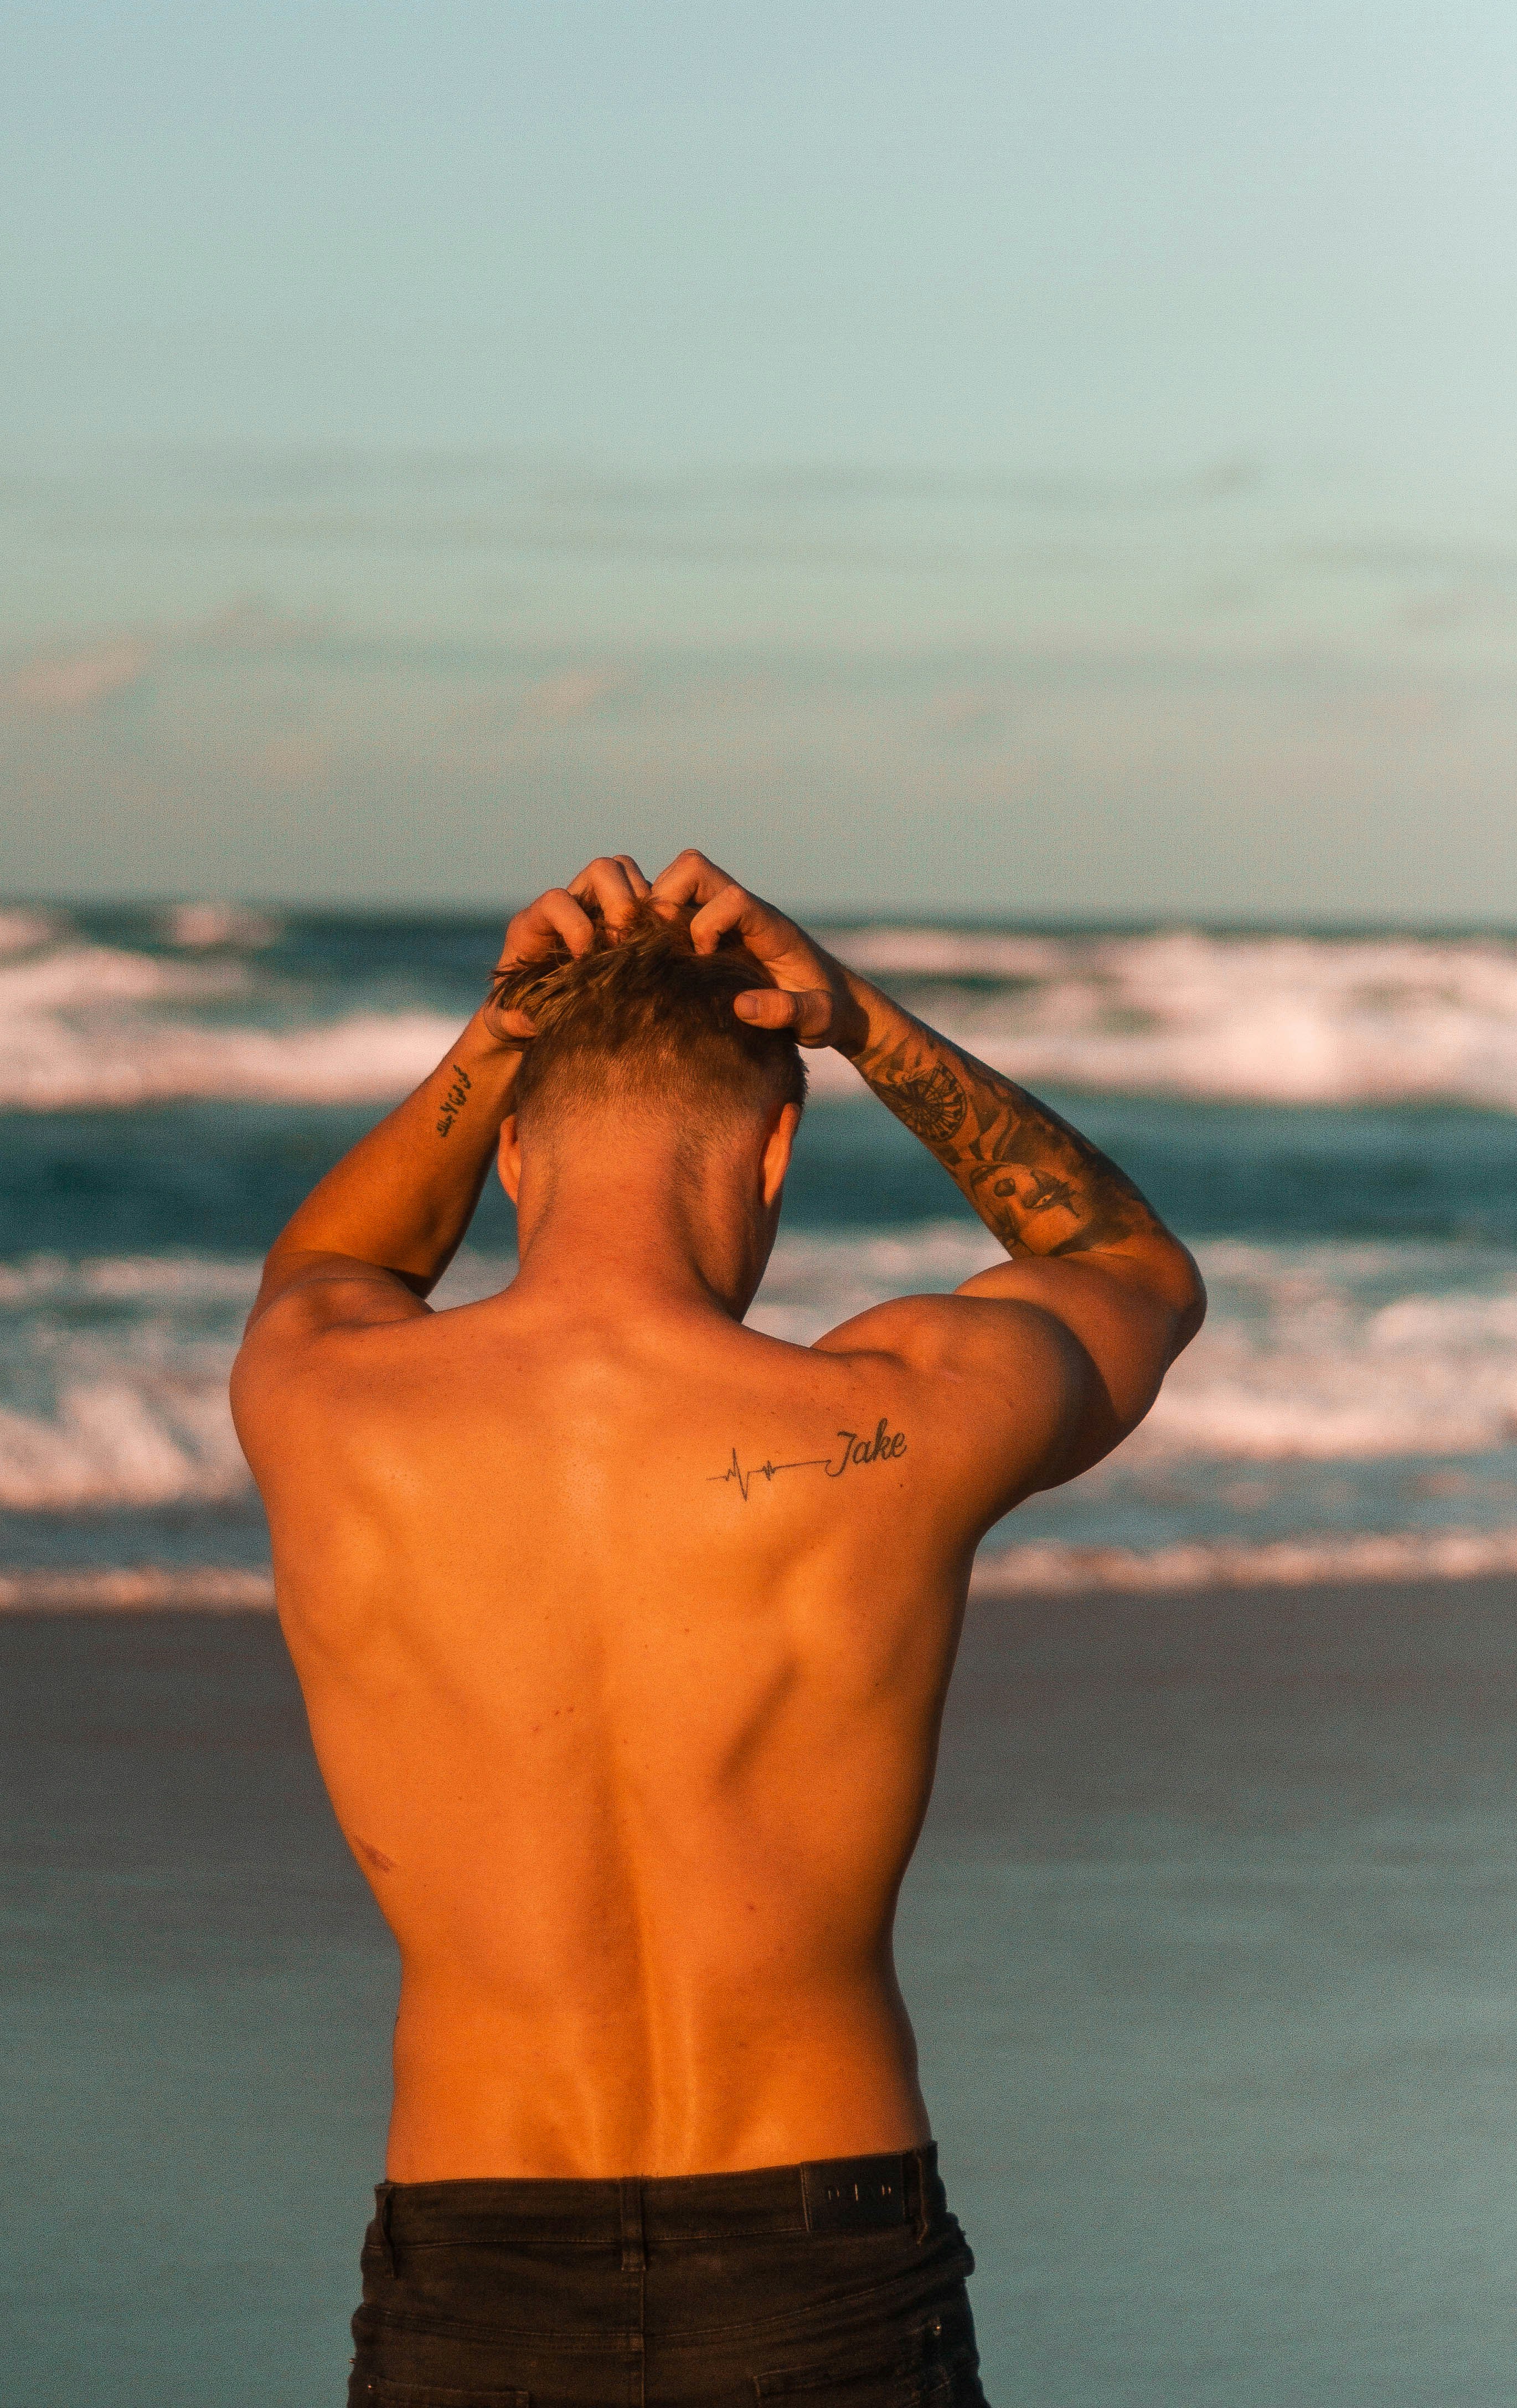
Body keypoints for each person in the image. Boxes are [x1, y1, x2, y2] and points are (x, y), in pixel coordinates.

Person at [231, 850, 1205, 2407]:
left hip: (476, 2264)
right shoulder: (900, 1419)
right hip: (825, 2250)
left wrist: (497, 1036)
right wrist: (862, 1020)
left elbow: (336, 1261)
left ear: (511, 1164)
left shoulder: (331, 1407)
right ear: (775, 1159)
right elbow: (1128, 1268)